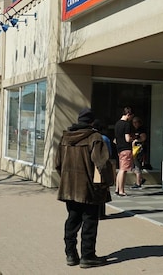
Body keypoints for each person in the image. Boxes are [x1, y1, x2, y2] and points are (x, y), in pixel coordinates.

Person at [55, 108, 112, 268]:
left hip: (69, 187)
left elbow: (58, 164)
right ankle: (88, 256)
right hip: (88, 189)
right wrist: (106, 184)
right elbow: (102, 164)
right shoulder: (95, 138)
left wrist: (66, 179)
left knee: (72, 220)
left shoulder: (65, 137)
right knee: (90, 222)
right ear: (92, 122)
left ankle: (71, 255)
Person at [114, 106, 135, 196]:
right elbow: (127, 139)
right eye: (131, 116)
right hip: (126, 148)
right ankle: (121, 191)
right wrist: (133, 138)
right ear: (128, 114)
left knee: (120, 169)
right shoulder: (126, 124)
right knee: (124, 170)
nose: (131, 119)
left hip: (119, 148)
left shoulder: (117, 124)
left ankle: (117, 188)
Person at [130, 116, 147, 189]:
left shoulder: (141, 130)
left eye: (136, 122)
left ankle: (138, 183)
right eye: (133, 122)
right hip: (134, 149)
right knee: (132, 167)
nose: (134, 124)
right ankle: (141, 179)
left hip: (139, 149)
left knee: (137, 166)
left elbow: (143, 138)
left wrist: (136, 141)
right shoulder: (133, 130)